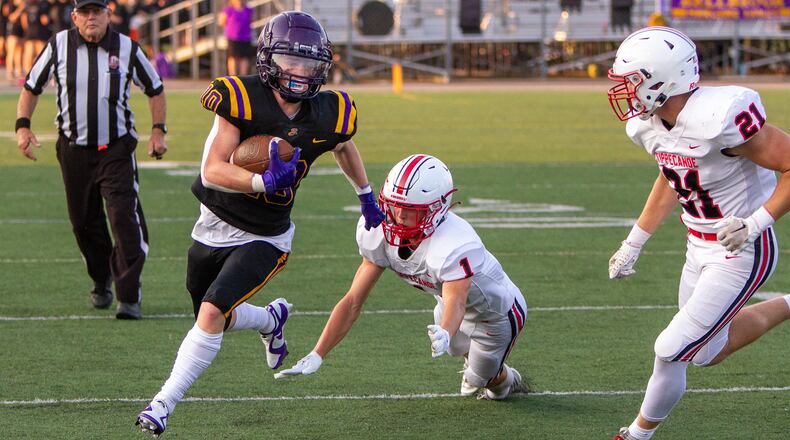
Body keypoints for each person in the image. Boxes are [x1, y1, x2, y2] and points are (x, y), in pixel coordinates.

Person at [135, 11, 385, 437]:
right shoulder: (241, 98)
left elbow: (344, 145)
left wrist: (366, 196)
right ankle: (270, 320)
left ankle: (164, 402)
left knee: (212, 312)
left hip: (267, 235)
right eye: (291, 61)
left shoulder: (330, 110)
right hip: (213, 222)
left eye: (309, 64)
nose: (301, 73)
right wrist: (260, 179)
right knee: (211, 315)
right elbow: (213, 170)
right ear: (269, 58)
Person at [606, 27, 790, 440]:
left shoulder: (722, 118)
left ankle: (636, 434)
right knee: (707, 351)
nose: (625, 89)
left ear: (661, 80)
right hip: (698, 246)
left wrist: (755, 223)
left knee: (669, 350)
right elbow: (674, 175)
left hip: (744, 250)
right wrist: (634, 241)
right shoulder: (650, 125)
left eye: (632, 79)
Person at [275, 154, 530, 402]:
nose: (398, 216)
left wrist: (445, 330)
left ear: (436, 209)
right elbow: (353, 301)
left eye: (410, 210)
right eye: (393, 205)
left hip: (495, 314)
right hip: (446, 305)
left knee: (481, 380)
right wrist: (318, 353)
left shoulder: (455, 243)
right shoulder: (378, 230)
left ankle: (506, 380)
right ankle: (474, 362)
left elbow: (458, 301)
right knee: (454, 349)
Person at [16, 0, 168, 320]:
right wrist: (23, 127)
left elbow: (155, 88)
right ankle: (101, 280)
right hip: (73, 149)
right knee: (84, 223)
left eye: (96, 11)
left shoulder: (127, 47)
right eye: (84, 12)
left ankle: (129, 295)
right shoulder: (58, 45)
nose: (91, 18)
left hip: (116, 149)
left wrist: (157, 132)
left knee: (124, 218)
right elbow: (31, 86)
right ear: (74, 17)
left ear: (107, 15)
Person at [219, 0, 252, 75]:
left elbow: (250, 20)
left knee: (244, 58)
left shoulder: (248, 9)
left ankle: (243, 77)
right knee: (232, 57)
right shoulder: (229, 10)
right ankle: (233, 77)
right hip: (233, 38)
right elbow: (221, 22)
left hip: (245, 37)